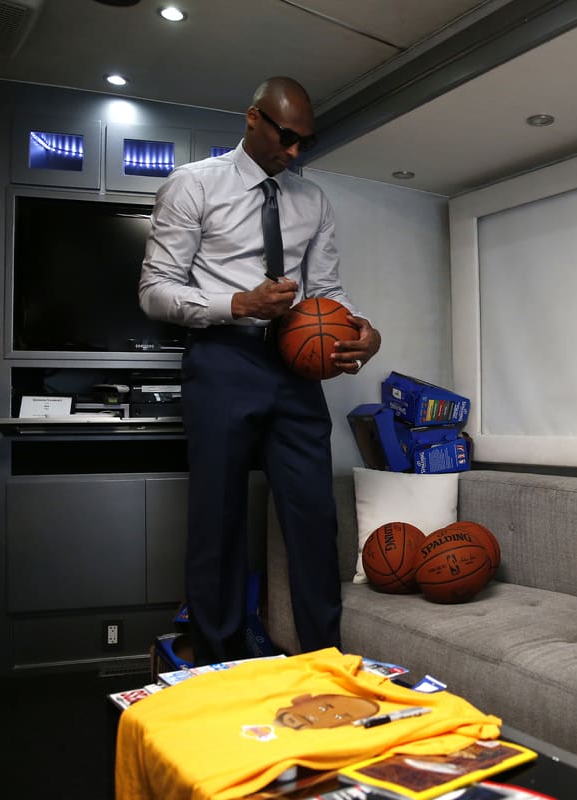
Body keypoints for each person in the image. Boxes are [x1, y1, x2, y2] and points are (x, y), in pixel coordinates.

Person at [139, 76, 381, 665]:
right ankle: (218, 663)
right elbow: (155, 291)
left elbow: (327, 291)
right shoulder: (194, 186)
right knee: (217, 520)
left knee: (312, 517)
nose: (295, 153)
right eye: (288, 137)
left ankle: (324, 662)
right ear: (253, 118)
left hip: (294, 366)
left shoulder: (312, 200)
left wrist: (362, 331)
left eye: (306, 142)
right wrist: (238, 304)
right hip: (222, 358)